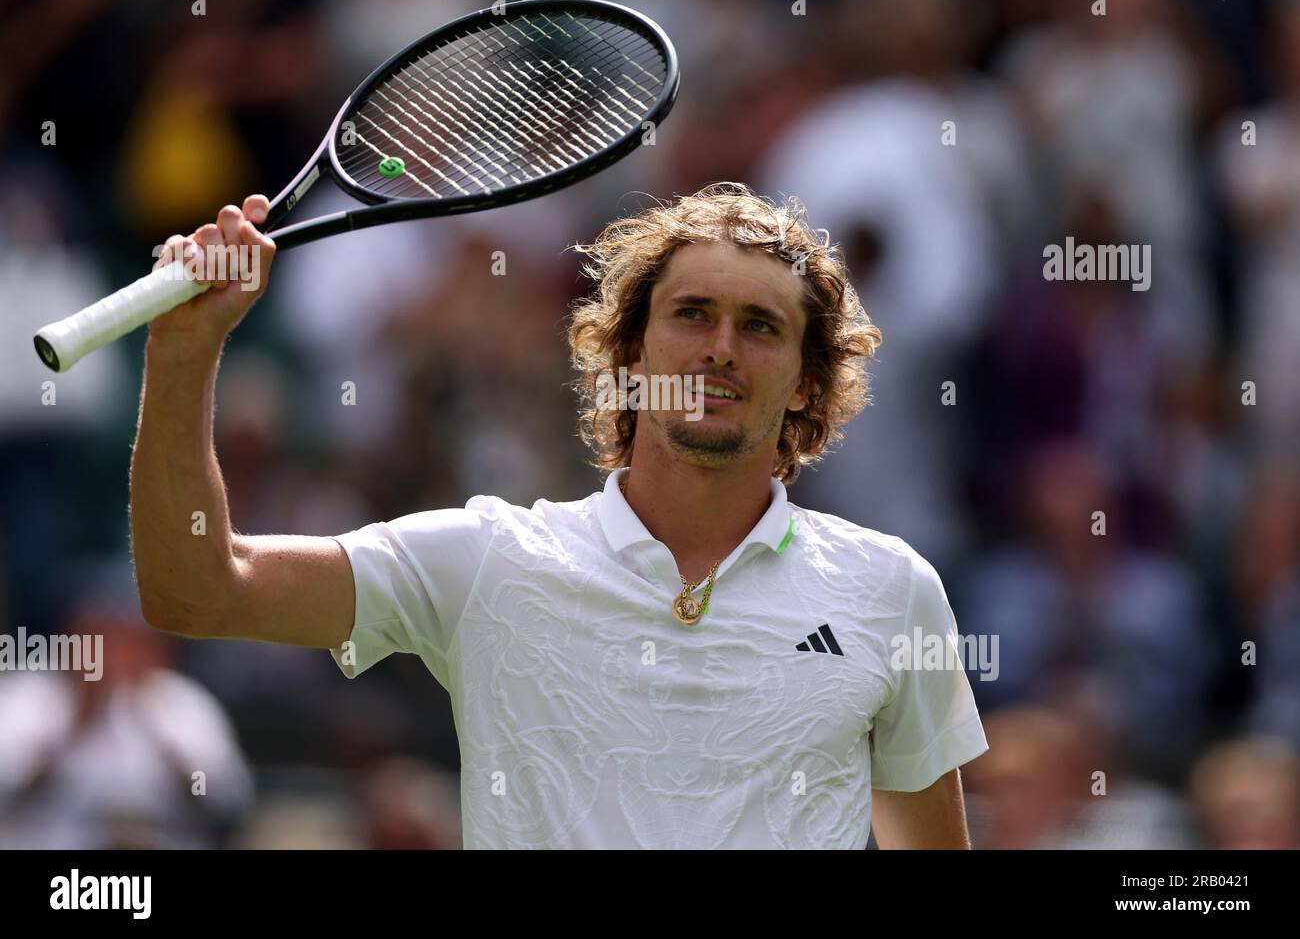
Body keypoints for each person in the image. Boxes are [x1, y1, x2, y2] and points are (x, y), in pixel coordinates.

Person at [130, 182, 988, 849]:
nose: (721, 346)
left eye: (760, 325)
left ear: (806, 380)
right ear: (632, 352)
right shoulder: (490, 560)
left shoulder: (892, 589)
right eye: (692, 313)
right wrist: (183, 353)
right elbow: (200, 590)